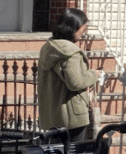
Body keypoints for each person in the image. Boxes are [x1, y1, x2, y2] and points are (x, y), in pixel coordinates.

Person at [34, 8, 96, 142]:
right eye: (83, 28)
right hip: (72, 116)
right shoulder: (71, 52)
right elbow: (76, 83)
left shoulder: (48, 48)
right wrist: (94, 74)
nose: (83, 33)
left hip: (52, 114)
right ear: (74, 28)